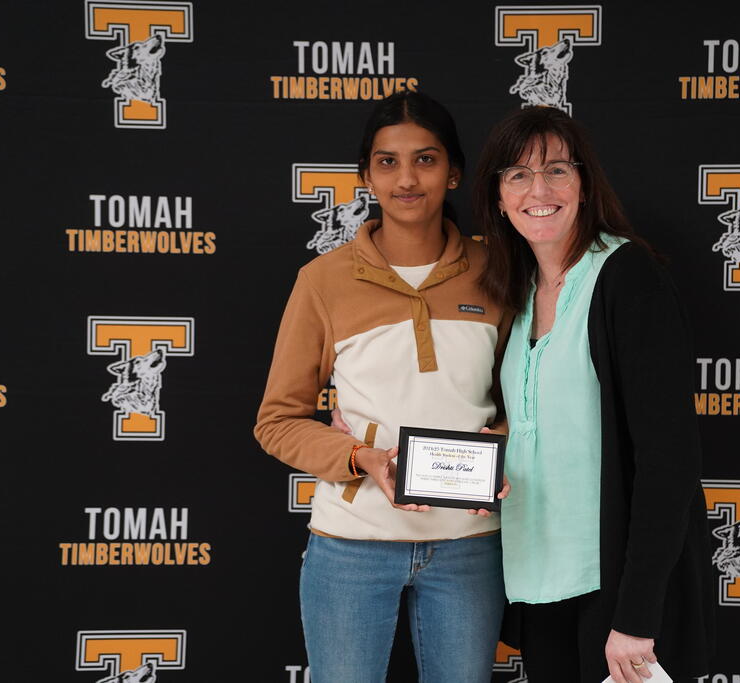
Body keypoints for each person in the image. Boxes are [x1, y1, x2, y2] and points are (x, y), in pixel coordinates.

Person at [254, 91, 510, 683]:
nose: (407, 179)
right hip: (352, 545)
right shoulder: (323, 281)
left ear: (454, 173)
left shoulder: (498, 270)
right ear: (366, 176)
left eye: (426, 160)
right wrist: (358, 457)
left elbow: (527, 399)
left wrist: (498, 443)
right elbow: (277, 420)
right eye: (388, 162)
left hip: (469, 545)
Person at [472, 106, 715, 683]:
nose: (539, 191)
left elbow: (669, 458)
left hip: (616, 590)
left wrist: (637, 614)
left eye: (556, 170)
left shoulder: (627, 276)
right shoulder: (517, 292)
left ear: (583, 184)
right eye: (518, 175)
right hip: (540, 581)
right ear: (499, 199)